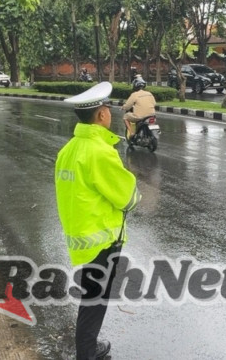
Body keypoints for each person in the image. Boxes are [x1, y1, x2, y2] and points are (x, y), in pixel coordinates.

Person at [55, 81, 141, 360]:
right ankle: (87, 353)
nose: (110, 113)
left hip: (80, 236)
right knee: (95, 300)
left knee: (91, 297)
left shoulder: (69, 149)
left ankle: (88, 348)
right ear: (101, 115)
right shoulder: (100, 152)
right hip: (103, 238)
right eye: (107, 109)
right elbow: (128, 198)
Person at [122, 75, 156, 140]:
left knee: (125, 117)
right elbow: (154, 103)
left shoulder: (134, 94)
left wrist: (123, 107)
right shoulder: (149, 93)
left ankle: (132, 132)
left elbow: (127, 106)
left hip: (140, 117)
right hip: (152, 116)